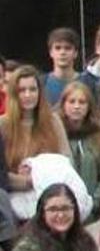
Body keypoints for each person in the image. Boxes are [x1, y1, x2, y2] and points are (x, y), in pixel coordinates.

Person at [1, 65, 72, 193]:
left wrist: (39, 175)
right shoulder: (2, 125)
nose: (28, 95)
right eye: (22, 90)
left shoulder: (53, 121)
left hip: (50, 193)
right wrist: (27, 181)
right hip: (13, 196)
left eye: (33, 89)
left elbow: (66, 161)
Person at [58, 81, 100, 205]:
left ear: (89, 106)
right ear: (63, 105)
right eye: (72, 102)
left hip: (92, 207)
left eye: (82, 102)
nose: (77, 106)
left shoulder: (99, 135)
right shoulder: (55, 134)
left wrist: (94, 202)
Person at [43, 27, 81, 106]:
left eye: (67, 48)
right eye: (58, 48)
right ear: (51, 52)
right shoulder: (41, 83)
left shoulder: (87, 82)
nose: (62, 52)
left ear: (75, 53)